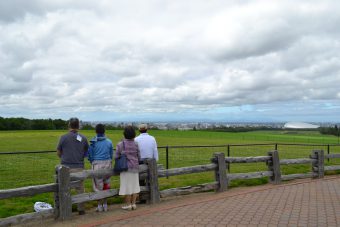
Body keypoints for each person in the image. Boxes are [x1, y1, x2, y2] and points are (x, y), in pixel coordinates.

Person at [56, 117, 89, 215]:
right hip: (79, 166)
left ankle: (66, 209)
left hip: (65, 168)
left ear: (69, 125)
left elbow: (58, 152)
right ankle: (81, 209)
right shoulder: (83, 138)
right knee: (80, 189)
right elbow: (86, 152)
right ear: (78, 126)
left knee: (66, 189)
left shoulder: (63, 137)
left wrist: (65, 157)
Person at [88, 124, 113, 212]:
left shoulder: (93, 143)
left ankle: (99, 205)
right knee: (106, 184)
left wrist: (93, 162)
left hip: (97, 164)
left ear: (96, 131)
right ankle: (105, 204)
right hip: (108, 164)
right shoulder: (109, 142)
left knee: (98, 186)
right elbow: (111, 154)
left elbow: (90, 156)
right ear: (104, 131)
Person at [116, 125, 140, 210]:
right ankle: (133, 204)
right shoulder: (136, 144)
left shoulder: (120, 144)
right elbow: (139, 155)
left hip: (125, 168)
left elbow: (116, 156)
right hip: (135, 167)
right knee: (135, 186)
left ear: (124, 134)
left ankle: (128, 205)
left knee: (127, 187)